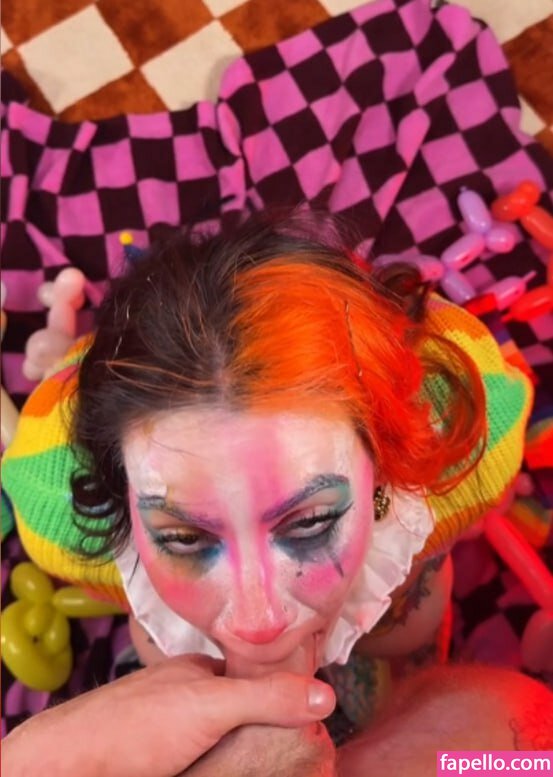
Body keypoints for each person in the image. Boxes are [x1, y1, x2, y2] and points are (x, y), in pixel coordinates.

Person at [2, 211, 536, 737]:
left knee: (405, 631)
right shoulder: (62, 508)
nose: (258, 622)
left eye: (310, 523)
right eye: (184, 538)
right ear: (119, 495)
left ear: (384, 466)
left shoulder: (456, 448)